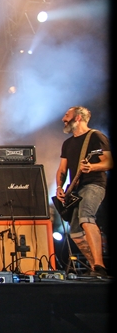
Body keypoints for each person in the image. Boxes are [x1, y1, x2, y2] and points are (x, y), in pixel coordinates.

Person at [55, 106, 112, 278]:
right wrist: (59, 187)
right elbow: (62, 170)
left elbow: (108, 162)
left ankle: (100, 265)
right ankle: (95, 268)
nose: (63, 119)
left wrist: (91, 167)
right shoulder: (67, 143)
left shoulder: (95, 137)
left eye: (67, 115)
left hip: (94, 184)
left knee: (86, 218)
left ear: (78, 117)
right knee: (75, 233)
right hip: (76, 189)